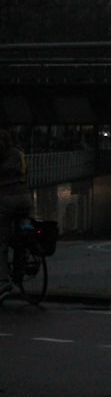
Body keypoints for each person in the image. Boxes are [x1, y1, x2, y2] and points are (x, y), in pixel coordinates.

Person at [0, 129, 32, 301]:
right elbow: (26, 174)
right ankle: (20, 271)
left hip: (5, 200)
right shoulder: (19, 155)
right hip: (25, 197)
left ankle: (3, 281)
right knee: (22, 236)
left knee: (2, 243)